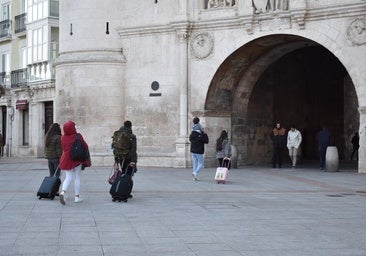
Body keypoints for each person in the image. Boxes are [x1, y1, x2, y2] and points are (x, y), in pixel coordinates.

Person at [59, 121, 91, 205]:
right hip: (77, 159)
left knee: (68, 177)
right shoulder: (78, 136)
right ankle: (77, 197)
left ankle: (63, 191)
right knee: (77, 177)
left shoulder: (62, 138)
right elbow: (85, 146)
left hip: (66, 159)